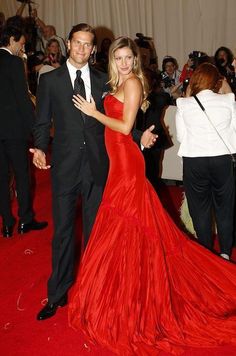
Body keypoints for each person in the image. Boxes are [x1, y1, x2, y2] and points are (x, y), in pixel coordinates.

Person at [68, 37, 236, 355]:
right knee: (123, 226)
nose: (124, 62)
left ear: (135, 59)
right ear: (111, 59)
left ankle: (134, 298)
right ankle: (125, 292)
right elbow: (131, 128)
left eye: (129, 57)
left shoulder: (131, 83)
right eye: (118, 57)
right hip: (118, 160)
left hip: (127, 164)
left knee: (127, 223)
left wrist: (94, 113)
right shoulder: (117, 83)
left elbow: (124, 124)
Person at [31, 23, 157, 321]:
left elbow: (117, 117)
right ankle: (57, 293)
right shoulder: (50, 80)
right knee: (62, 233)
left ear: (93, 49)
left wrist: (140, 137)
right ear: (68, 43)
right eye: (78, 42)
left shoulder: (104, 80)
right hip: (64, 167)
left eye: (88, 44)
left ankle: (93, 292)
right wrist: (38, 148)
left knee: (96, 233)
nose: (82, 48)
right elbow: (41, 121)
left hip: (101, 167)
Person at [176, 62, 236, 260]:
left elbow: (181, 138)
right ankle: (226, 252)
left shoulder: (184, 104)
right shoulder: (228, 100)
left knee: (200, 209)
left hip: (195, 162)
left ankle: (206, 254)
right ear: (217, 82)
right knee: (225, 207)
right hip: (222, 160)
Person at [0, 25, 48, 238]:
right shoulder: (14, 62)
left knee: (1, 178)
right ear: (11, 39)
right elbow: (23, 99)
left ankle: (7, 224)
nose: (23, 47)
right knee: (22, 176)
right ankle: (25, 220)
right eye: (21, 43)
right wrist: (36, 130)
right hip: (15, 131)